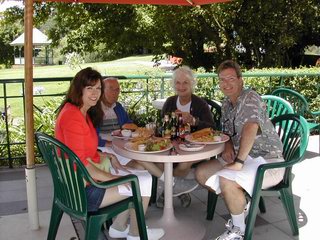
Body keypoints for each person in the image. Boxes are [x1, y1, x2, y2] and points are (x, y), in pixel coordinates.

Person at [55, 68, 164, 240]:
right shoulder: (72, 117)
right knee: (142, 180)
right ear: (79, 89)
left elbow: (83, 151)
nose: (95, 93)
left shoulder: (79, 111)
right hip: (83, 192)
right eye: (89, 88)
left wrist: (108, 156)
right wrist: (114, 179)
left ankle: (119, 227)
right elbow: (83, 165)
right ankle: (136, 234)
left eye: (98, 88)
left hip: (82, 179)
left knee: (136, 168)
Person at [195, 60, 285, 240]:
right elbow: (226, 132)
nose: (226, 84)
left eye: (230, 78)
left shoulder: (250, 97)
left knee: (226, 180)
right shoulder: (227, 104)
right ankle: (239, 203)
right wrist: (228, 145)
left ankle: (238, 230)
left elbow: (251, 127)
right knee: (201, 173)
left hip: (267, 161)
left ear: (240, 80)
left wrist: (238, 162)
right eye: (222, 80)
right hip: (241, 156)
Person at [97, 77, 198, 207]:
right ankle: (171, 184)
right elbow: (93, 137)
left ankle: (165, 190)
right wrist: (108, 143)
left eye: (117, 90)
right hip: (106, 150)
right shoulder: (95, 109)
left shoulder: (118, 107)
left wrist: (134, 130)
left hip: (121, 145)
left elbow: (128, 124)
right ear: (102, 90)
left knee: (149, 157)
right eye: (111, 89)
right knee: (142, 157)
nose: (115, 93)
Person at [158, 65, 215, 207]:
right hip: (173, 146)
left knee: (184, 162)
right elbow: (163, 128)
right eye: (178, 82)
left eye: (185, 82)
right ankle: (180, 189)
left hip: (196, 149)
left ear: (192, 84)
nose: (181, 86)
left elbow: (212, 128)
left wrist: (194, 121)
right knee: (157, 161)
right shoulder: (170, 102)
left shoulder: (200, 104)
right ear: (173, 84)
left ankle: (169, 191)